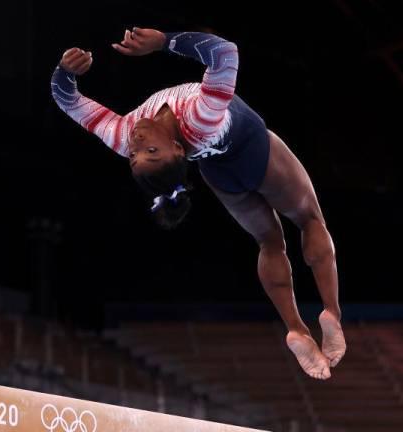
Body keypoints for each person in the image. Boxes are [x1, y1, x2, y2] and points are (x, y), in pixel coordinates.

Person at [51, 28, 345, 379]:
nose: (138, 142)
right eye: (151, 152)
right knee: (310, 219)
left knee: (269, 242)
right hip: (253, 152)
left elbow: (68, 101)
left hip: (219, 175)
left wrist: (65, 72)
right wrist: (163, 41)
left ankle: (297, 329)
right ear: (177, 150)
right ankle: (331, 312)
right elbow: (226, 53)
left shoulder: (121, 135)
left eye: (136, 154)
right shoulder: (199, 115)